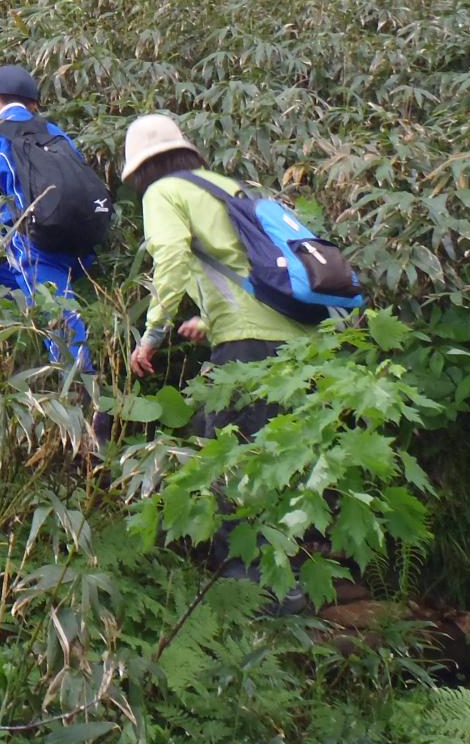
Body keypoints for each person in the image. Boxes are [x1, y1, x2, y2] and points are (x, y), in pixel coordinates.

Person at [121, 112, 313, 587]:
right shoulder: (224, 186)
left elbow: (170, 261)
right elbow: (251, 265)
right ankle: (293, 586)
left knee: (234, 463)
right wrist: (208, 318)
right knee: (282, 464)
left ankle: (251, 596)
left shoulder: (162, 192)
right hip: (298, 340)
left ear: (141, 167)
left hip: (249, 347)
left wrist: (152, 335)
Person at [0, 66, 98, 363]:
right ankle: (45, 380)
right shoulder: (56, 134)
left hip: (31, 244)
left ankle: (86, 395)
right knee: (47, 307)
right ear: (33, 104)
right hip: (76, 236)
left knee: (59, 317)